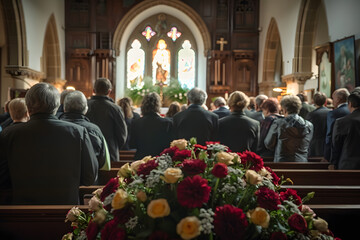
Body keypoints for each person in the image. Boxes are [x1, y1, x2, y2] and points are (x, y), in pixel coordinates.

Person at [0, 83, 98, 204]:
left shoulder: (8, 134)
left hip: (24, 213)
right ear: (57, 105)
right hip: (66, 212)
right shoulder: (78, 132)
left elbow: (2, 178)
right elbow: (89, 177)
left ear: (28, 106)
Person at [60, 90, 108, 169]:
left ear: (64, 108)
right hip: (88, 179)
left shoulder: (55, 127)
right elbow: (101, 160)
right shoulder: (94, 130)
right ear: (86, 109)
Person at [86, 78, 127, 162]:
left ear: (94, 90)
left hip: (88, 152)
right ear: (109, 91)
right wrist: (114, 146)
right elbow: (122, 134)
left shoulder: (85, 105)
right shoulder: (115, 109)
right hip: (110, 152)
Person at [264, 95, 313, 162]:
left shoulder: (278, 123)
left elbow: (268, 144)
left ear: (284, 109)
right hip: (302, 163)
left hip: (282, 163)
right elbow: (309, 145)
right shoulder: (309, 125)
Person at [130, 92, 173, 159]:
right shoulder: (167, 123)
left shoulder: (136, 123)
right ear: (158, 105)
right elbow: (169, 145)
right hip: (160, 159)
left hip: (141, 159)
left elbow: (132, 144)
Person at [331, 90, 360, 169]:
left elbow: (336, 146)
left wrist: (333, 163)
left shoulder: (341, 122)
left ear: (350, 104)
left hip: (348, 165)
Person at [324, 88, 350, 162]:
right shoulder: (353, 110)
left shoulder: (333, 113)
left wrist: (327, 156)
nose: (333, 101)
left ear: (338, 99)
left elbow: (329, 135)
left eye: (333, 98)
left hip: (337, 151)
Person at [306, 92, 330, 157]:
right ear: (325, 101)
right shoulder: (331, 113)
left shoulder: (311, 114)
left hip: (314, 144)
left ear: (313, 102)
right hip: (328, 143)